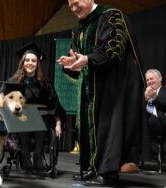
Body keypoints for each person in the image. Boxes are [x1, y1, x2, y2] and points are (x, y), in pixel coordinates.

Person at [57, 0, 150, 186]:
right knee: (89, 126)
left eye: (76, 3)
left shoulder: (111, 15)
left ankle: (107, 173)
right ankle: (92, 168)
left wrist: (87, 59)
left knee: (109, 126)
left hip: (113, 85)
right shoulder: (81, 26)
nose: (73, 9)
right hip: (92, 84)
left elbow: (114, 48)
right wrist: (72, 62)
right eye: (70, 5)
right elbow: (79, 56)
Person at [0, 42, 63, 170]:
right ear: (22, 62)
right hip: (19, 119)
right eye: (27, 60)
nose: (30, 63)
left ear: (37, 64)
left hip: (42, 119)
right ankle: (24, 154)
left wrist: (58, 124)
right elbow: (0, 100)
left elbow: (55, 105)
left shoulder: (45, 84)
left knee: (42, 115)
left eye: (33, 61)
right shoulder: (12, 82)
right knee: (24, 115)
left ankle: (38, 154)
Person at [144, 69, 166, 137]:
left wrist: (155, 98)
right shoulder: (145, 94)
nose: (149, 81)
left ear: (160, 78)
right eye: (147, 80)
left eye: (151, 79)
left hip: (161, 127)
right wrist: (144, 99)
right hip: (146, 129)